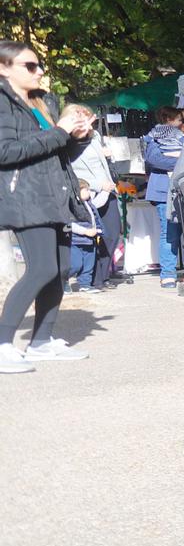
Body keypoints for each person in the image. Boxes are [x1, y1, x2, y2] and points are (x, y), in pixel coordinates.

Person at [0, 42, 95, 371]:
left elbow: (58, 154)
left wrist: (79, 137)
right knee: (41, 269)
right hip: (26, 196)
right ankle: (2, 344)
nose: (39, 71)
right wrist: (58, 132)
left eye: (39, 65)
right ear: (4, 68)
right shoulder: (2, 102)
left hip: (55, 195)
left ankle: (41, 341)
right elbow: (6, 152)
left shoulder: (41, 102)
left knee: (60, 270)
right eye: (30, 66)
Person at [68, 124, 121, 291]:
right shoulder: (71, 144)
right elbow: (72, 171)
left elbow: (103, 167)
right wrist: (99, 185)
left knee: (112, 233)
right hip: (89, 193)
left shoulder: (96, 138)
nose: (91, 125)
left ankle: (102, 275)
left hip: (109, 191)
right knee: (91, 236)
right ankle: (92, 279)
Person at [140, 106, 184, 285]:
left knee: (181, 231)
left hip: (181, 189)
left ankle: (183, 269)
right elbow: (153, 159)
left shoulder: (181, 137)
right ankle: (168, 272)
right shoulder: (153, 138)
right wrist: (179, 162)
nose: (181, 123)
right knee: (169, 232)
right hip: (163, 191)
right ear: (169, 119)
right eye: (179, 120)